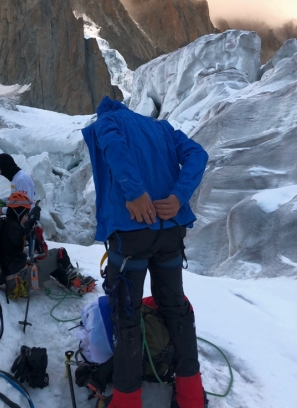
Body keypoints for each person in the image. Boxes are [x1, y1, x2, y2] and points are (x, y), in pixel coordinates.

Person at [81, 97, 209, 408]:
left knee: (126, 314)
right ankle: (191, 396)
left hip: (131, 233)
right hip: (170, 232)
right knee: (175, 308)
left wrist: (134, 191)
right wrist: (179, 196)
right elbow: (197, 154)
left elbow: (113, 146)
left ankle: (126, 401)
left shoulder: (108, 122)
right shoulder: (162, 128)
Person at [0, 192, 95, 296]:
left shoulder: (8, 224)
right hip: (17, 281)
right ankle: (76, 280)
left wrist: (31, 227)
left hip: (15, 278)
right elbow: (17, 236)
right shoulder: (11, 227)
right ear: (19, 212)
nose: (27, 218)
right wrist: (31, 221)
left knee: (49, 263)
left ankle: (70, 282)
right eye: (26, 214)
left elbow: (20, 237)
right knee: (60, 253)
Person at [0, 153, 35, 217]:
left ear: (5, 166)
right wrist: (2, 200)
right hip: (19, 214)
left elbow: (25, 204)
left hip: (25, 217)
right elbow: (17, 199)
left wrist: (3, 210)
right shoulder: (16, 178)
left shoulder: (21, 179)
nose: (0, 173)